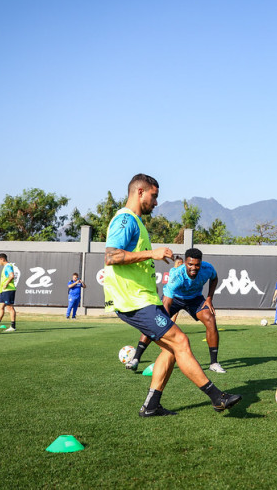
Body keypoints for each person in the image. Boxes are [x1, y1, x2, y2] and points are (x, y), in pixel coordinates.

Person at [104, 173, 240, 416]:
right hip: (133, 301)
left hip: (142, 299)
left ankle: (151, 406)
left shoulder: (136, 222)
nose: (156, 203)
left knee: (170, 349)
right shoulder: (125, 220)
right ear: (140, 192)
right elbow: (111, 256)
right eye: (154, 196)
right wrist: (151, 254)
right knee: (181, 341)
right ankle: (216, 397)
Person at [127, 248, 227, 374]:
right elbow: (167, 302)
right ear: (185, 263)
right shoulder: (176, 276)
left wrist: (209, 298)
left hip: (195, 299)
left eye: (197, 265)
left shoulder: (208, 268)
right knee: (154, 322)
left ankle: (214, 363)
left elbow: (214, 279)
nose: (194, 268)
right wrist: (164, 322)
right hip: (175, 299)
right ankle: (136, 359)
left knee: (210, 319)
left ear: (201, 263)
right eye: (190, 264)